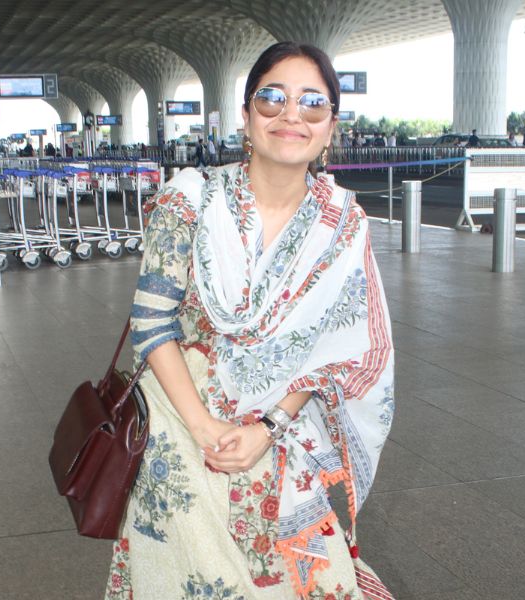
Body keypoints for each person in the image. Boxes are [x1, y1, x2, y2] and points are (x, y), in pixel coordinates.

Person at [104, 41, 395, 600]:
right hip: (181, 436)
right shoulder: (190, 201)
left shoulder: (343, 225)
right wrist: (204, 428)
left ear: (331, 128)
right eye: (272, 98)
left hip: (280, 439)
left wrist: (268, 428)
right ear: (245, 115)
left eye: (313, 103)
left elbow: (337, 352)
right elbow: (151, 322)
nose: (291, 115)